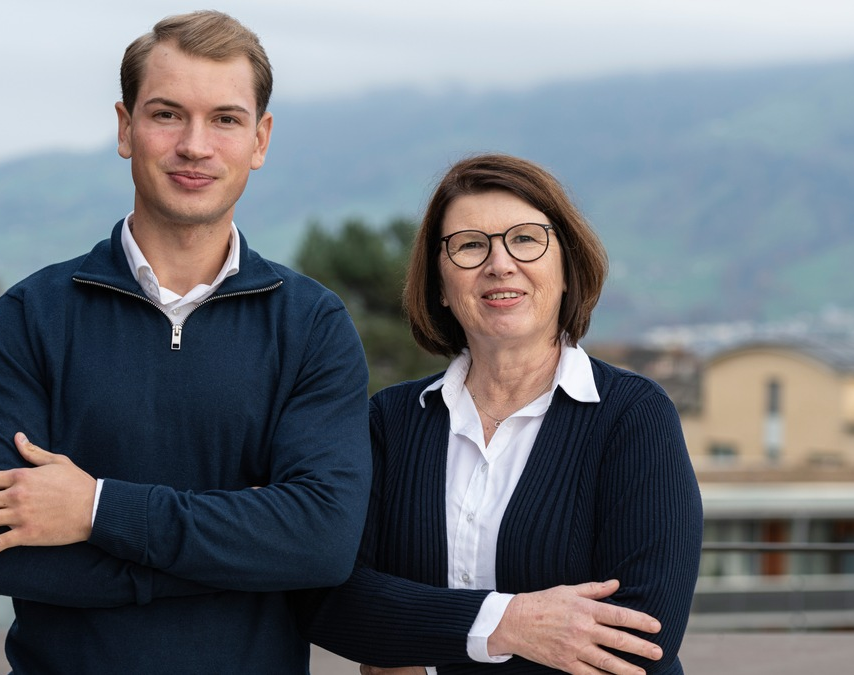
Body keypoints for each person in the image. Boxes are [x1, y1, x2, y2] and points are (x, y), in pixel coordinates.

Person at [0, 11, 371, 674]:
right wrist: (242, 551)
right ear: (125, 128)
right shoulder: (30, 315)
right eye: (168, 114)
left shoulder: (313, 325)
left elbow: (320, 542)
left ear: (260, 139)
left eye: (226, 119)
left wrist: (94, 508)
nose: (196, 145)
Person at [297, 153, 703, 674]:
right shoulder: (390, 423)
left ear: (565, 266)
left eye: (526, 239)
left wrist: (419, 653)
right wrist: (509, 623)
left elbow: (641, 637)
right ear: (440, 286)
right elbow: (331, 595)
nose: (500, 264)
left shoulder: (632, 417)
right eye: (469, 245)